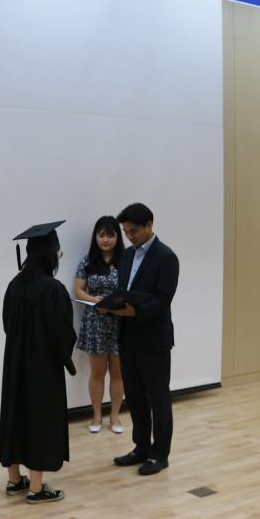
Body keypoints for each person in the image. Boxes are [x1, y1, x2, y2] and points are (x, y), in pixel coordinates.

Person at [0, 221, 77, 504]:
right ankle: (36, 488)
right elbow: (62, 333)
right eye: (58, 251)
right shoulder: (52, 289)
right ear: (49, 254)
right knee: (40, 420)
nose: (59, 255)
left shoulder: (14, 285)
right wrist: (63, 357)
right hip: (42, 366)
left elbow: (7, 324)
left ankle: (14, 480)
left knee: (15, 415)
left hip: (15, 363)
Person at [101, 203, 179, 476]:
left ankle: (160, 454)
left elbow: (163, 300)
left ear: (149, 225)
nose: (129, 236)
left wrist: (135, 312)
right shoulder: (126, 256)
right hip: (127, 337)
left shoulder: (166, 257)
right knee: (134, 397)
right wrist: (109, 305)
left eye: (133, 231)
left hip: (154, 339)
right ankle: (141, 448)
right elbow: (124, 292)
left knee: (158, 398)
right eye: (126, 232)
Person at [74, 216, 126, 434]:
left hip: (121, 321)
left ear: (117, 237)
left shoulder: (126, 260)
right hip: (95, 322)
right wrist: (93, 300)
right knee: (97, 373)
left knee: (118, 373)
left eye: (110, 235)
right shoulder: (87, 261)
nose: (105, 239)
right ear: (95, 236)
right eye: (101, 235)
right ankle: (96, 415)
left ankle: (114, 416)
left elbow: (132, 290)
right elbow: (78, 290)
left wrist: (115, 303)